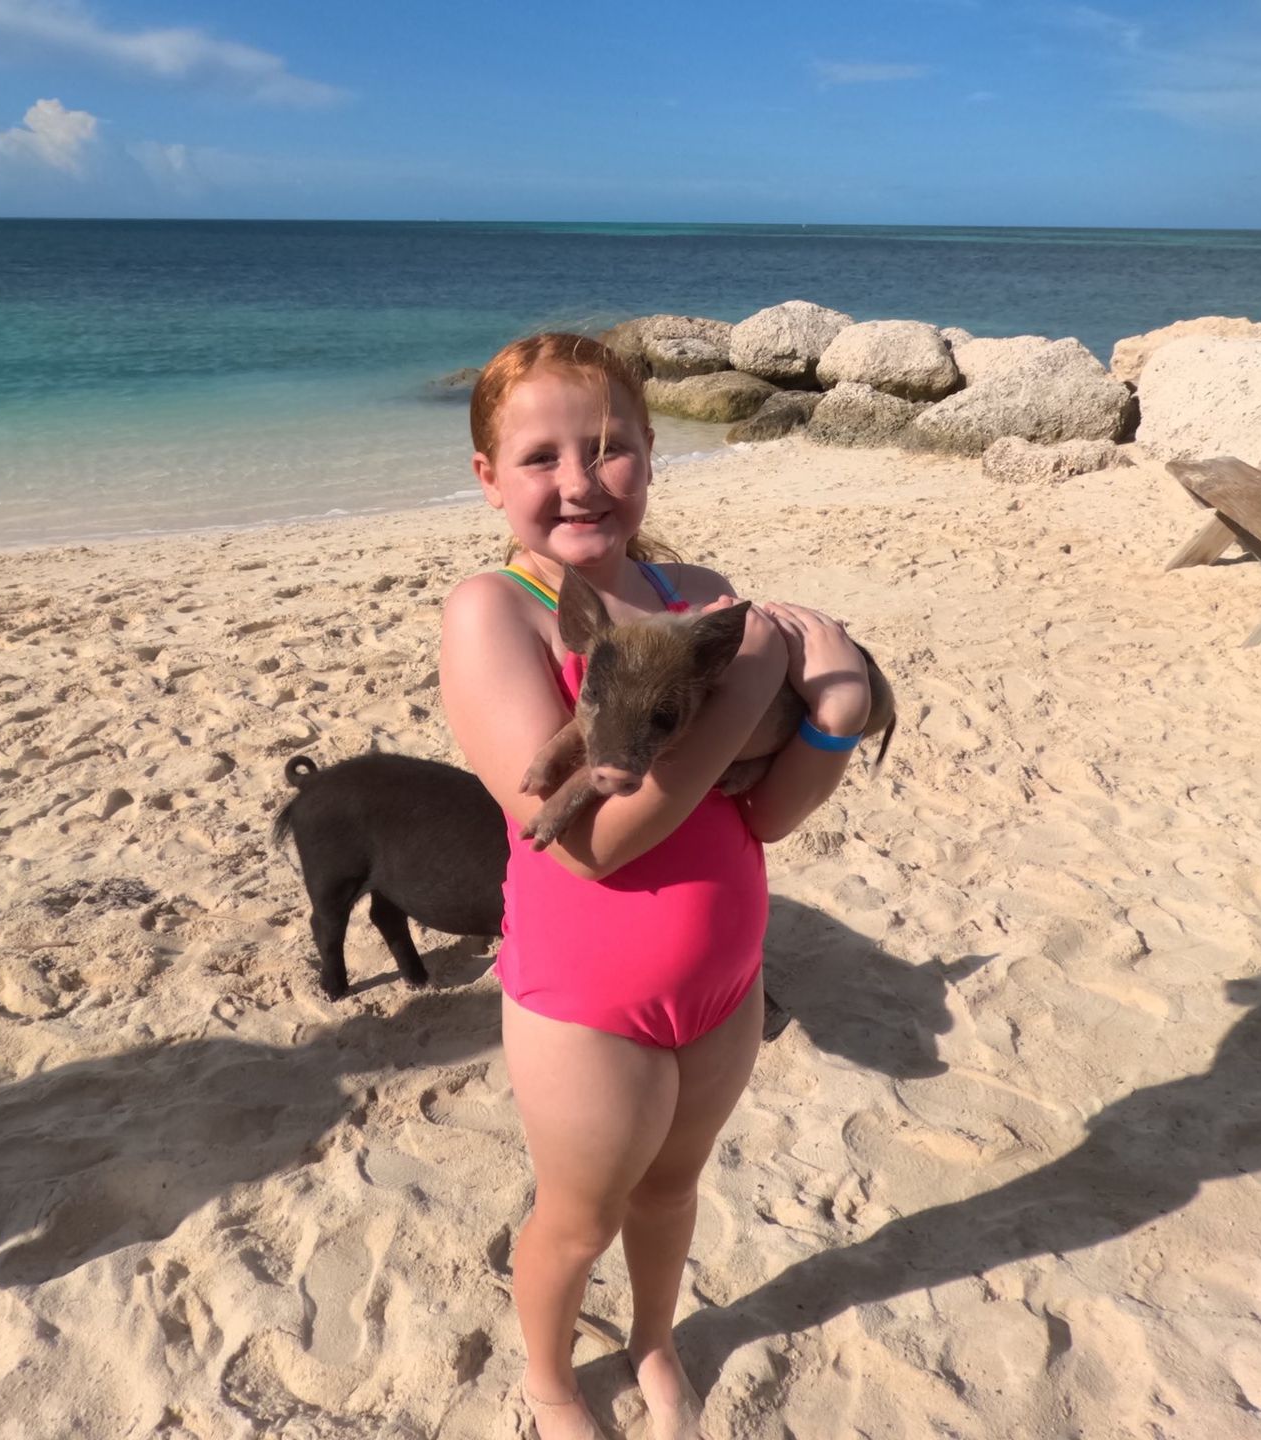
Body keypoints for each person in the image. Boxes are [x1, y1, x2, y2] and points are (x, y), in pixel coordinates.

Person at [439, 333, 872, 1439]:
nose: (581, 481)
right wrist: (766, 672)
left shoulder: (700, 595)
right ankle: (546, 1380)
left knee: (673, 1195)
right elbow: (590, 845)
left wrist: (832, 726)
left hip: (726, 979)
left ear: (650, 454)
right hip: (589, 1002)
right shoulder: (499, 611)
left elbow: (760, 814)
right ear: (488, 477)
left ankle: (654, 1339)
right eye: (541, 457)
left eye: (612, 447)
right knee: (577, 1223)